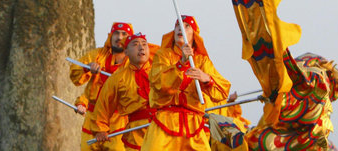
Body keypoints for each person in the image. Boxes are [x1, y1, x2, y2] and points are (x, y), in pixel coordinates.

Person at [141, 15, 231, 151]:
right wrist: (181, 64)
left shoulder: (202, 61)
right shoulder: (163, 55)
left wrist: (206, 79)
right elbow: (159, 84)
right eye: (178, 25)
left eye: (186, 25)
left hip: (194, 125)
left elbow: (223, 90)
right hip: (165, 121)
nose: (180, 28)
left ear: (194, 33)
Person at [70, 22, 134, 151]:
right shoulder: (98, 54)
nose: (119, 37)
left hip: (118, 122)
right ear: (110, 35)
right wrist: (87, 67)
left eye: (124, 34)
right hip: (92, 120)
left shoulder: (133, 62)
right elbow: (75, 74)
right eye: (116, 33)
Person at [91, 33, 160, 150]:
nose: (141, 48)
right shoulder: (117, 77)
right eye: (135, 44)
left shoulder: (161, 71)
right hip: (136, 133)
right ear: (126, 52)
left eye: (144, 44)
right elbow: (103, 104)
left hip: (162, 128)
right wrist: (101, 129)